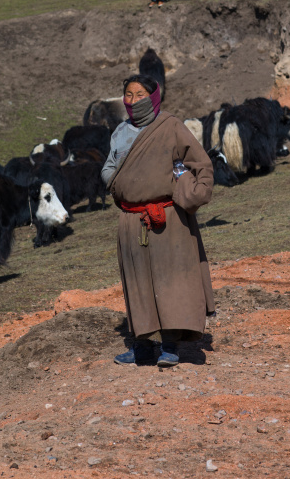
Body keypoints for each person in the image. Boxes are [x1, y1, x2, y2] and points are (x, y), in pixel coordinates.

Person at [101, 74, 214, 367]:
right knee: (137, 284)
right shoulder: (120, 133)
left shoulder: (171, 126)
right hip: (131, 219)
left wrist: (196, 193)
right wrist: (115, 182)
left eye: (140, 94)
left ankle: (170, 346)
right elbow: (110, 166)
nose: (134, 100)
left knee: (171, 282)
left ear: (153, 97)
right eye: (129, 94)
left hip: (168, 218)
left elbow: (200, 163)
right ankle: (141, 347)